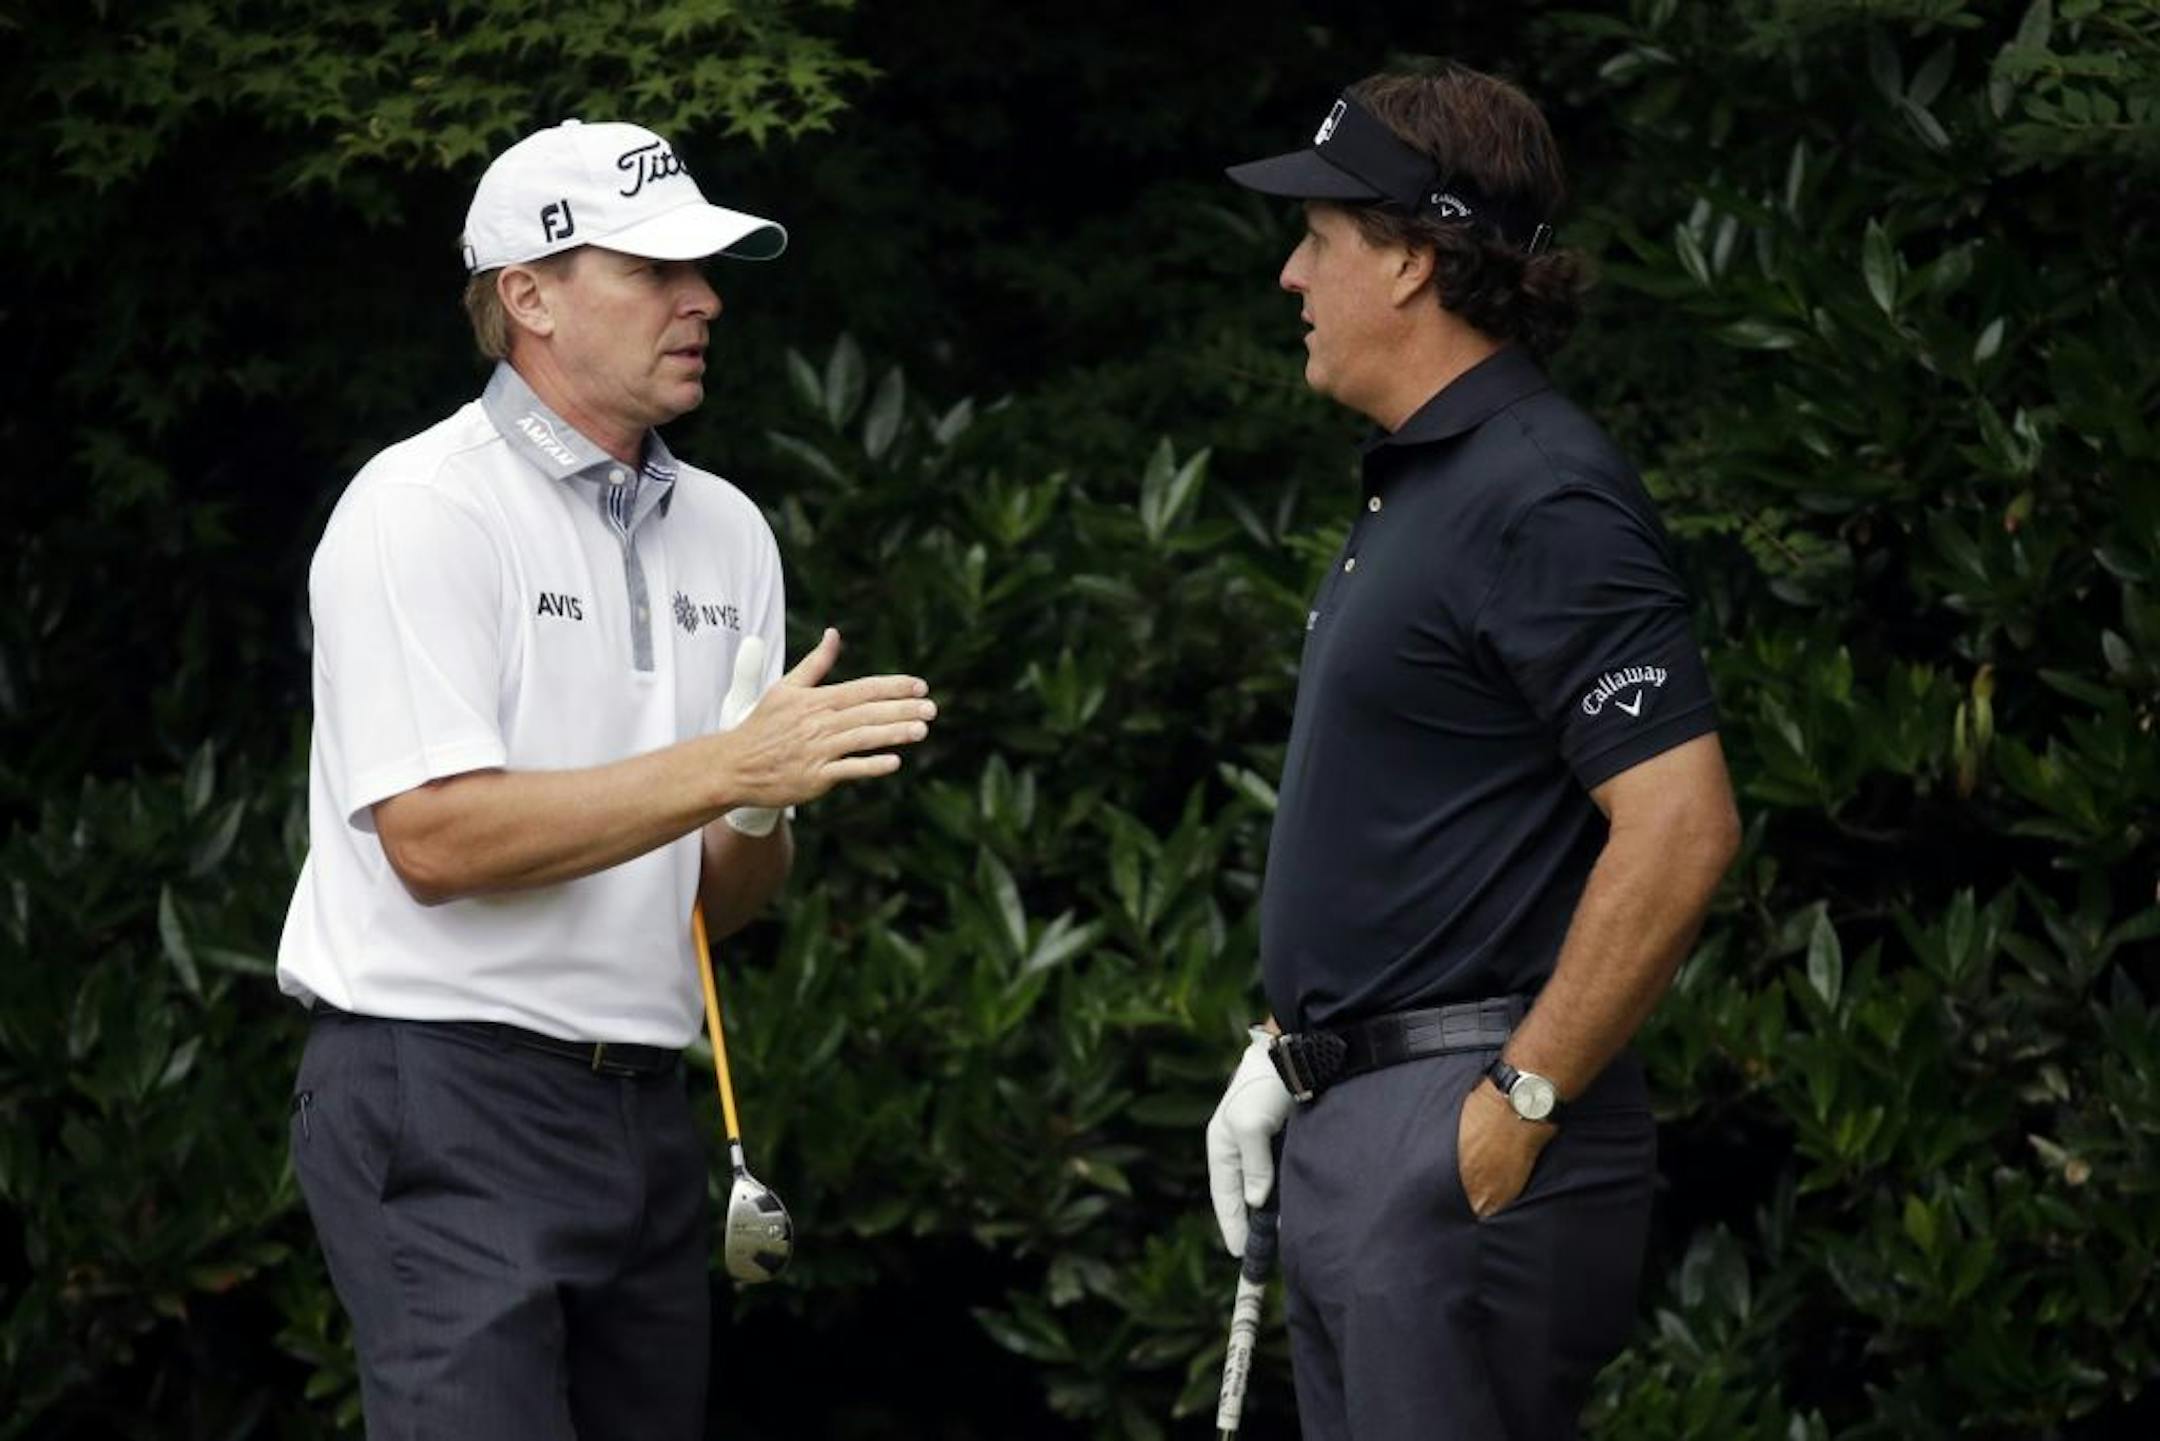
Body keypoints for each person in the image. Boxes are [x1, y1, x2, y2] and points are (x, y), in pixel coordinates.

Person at [275, 119, 937, 1440]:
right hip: (437, 1090)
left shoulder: (731, 529)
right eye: (654, 269)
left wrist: (751, 803)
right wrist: (724, 763)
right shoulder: (420, 507)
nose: (705, 300)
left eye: (706, 269)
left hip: (640, 1109)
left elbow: (721, 899)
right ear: (527, 295)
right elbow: (435, 838)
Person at [1204, 66, 1742, 1440]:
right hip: (1367, 1122)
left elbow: (1681, 823)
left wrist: (1521, 1098)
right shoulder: (1430, 482)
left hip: (1455, 1133)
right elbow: (1429, 821)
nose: (1289, 275)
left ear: (1414, 258)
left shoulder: (1539, 490)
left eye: (1318, 239)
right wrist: (1287, 1041)